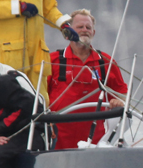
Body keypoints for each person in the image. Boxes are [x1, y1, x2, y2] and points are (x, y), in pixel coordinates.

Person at [47, 9, 127, 149]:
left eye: (88, 27)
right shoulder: (52, 60)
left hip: (94, 140)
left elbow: (122, 93)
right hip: (57, 139)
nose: (85, 30)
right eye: (80, 27)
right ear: (69, 31)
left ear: (93, 33)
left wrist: (119, 101)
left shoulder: (106, 62)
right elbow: (39, 95)